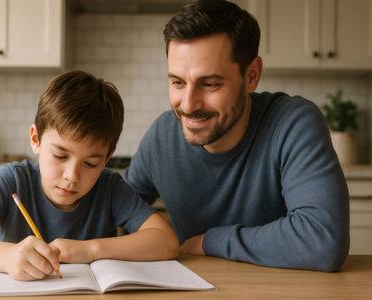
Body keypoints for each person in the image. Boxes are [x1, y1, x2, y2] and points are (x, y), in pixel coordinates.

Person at [124, 0, 349, 272]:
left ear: (252, 76)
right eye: (177, 82)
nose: (188, 104)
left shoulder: (292, 124)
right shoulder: (161, 136)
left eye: (209, 84)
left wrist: (211, 241)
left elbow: (323, 241)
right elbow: (112, 206)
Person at [0, 70, 179, 281]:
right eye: (60, 156)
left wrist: (90, 250)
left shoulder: (110, 187)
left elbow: (166, 241)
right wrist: (6, 257)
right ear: (35, 139)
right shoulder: (13, 180)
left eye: (91, 163)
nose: (72, 176)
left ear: (108, 156)